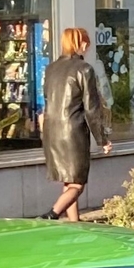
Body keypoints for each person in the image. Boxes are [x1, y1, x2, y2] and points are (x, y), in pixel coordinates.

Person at [40, 26, 111, 220]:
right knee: (78, 183)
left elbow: (47, 99)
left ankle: (74, 222)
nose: (87, 48)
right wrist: (103, 139)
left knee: (68, 179)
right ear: (81, 44)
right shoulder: (84, 69)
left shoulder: (51, 68)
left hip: (52, 130)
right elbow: (92, 109)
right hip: (72, 131)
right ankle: (52, 214)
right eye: (86, 44)